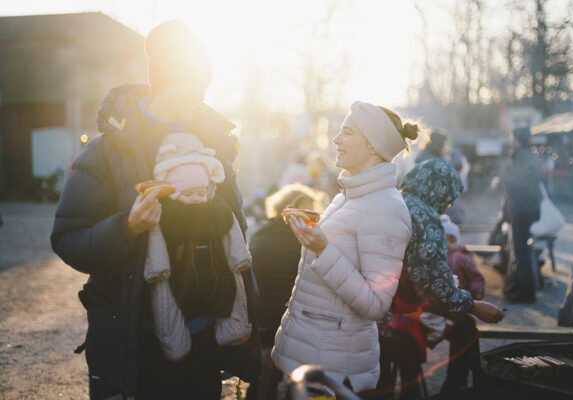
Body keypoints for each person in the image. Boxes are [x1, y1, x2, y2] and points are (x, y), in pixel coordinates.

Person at [51, 20, 259, 399]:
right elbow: (68, 237)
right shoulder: (109, 150)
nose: (198, 97)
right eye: (189, 85)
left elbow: (238, 227)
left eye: (203, 86)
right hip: (135, 337)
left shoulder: (215, 145)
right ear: (162, 81)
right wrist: (127, 227)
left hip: (203, 335)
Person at [271, 101, 418, 394]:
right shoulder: (346, 198)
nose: (336, 140)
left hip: (333, 371)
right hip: (306, 355)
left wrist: (324, 249)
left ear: (373, 146)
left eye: (347, 132)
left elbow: (376, 304)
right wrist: (315, 234)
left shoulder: (387, 209)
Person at [377, 159, 504, 399]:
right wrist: (473, 305)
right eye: (450, 196)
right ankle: (452, 389)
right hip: (396, 321)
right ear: (439, 188)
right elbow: (432, 286)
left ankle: (413, 385)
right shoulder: (424, 216)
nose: (450, 204)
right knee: (466, 327)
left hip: (373, 312)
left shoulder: (396, 201)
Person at [250, 183, 326, 399]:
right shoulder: (302, 237)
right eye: (311, 208)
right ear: (300, 207)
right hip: (292, 313)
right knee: (301, 374)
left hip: (261, 313)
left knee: (267, 375)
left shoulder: (259, 233)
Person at [501, 126, 543, 303]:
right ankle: (524, 290)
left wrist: (502, 180)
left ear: (516, 138)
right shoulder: (531, 155)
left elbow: (516, 181)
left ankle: (525, 293)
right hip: (528, 209)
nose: (509, 138)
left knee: (521, 253)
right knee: (524, 251)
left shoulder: (521, 156)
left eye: (511, 135)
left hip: (521, 210)